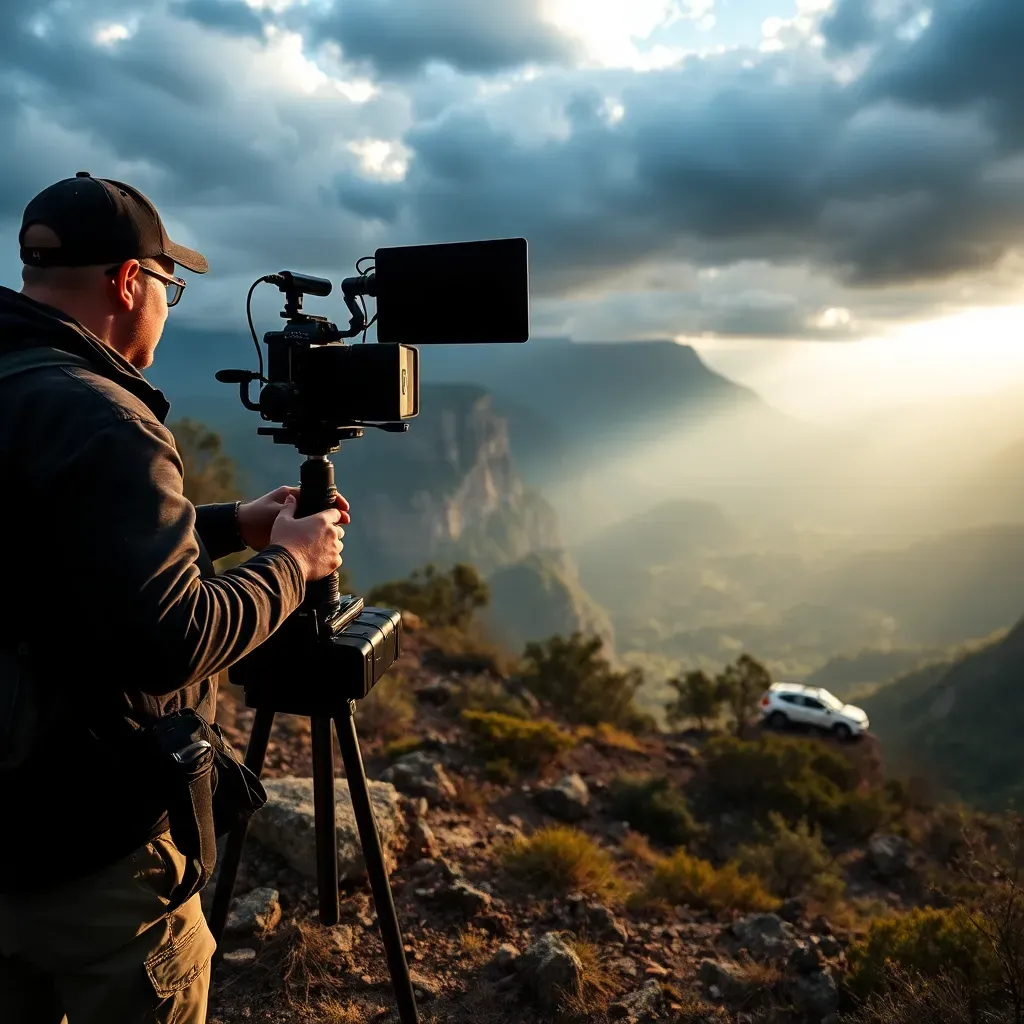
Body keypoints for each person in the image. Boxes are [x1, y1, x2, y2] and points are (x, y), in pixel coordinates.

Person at [0, 171, 349, 1023]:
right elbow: (173, 637)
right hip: (87, 853)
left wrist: (232, 524)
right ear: (128, 282)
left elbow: (48, 544)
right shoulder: (110, 422)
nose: (168, 302)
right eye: (168, 284)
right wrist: (294, 566)